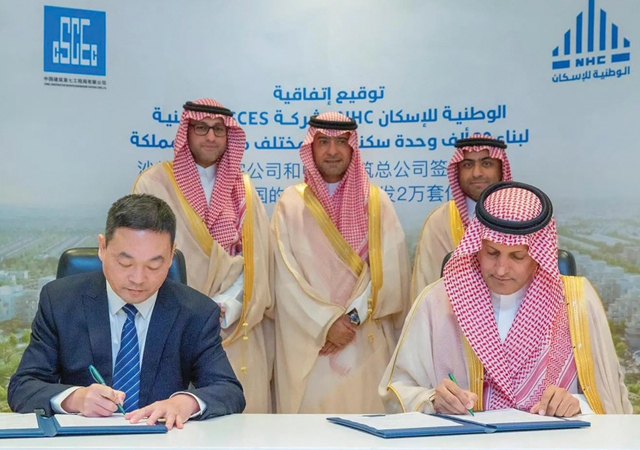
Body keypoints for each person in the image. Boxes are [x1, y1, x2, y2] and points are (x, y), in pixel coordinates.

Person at [380, 182, 632, 416]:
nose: (501, 269)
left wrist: (579, 404)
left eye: (517, 257)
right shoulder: (437, 300)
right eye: (492, 252)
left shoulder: (577, 301)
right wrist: (432, 400)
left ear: (538, 255)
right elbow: (398, 390)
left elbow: (610, 395)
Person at [8, 194, 245, 429]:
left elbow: (229, 390)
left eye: (154, 265)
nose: (138, 278)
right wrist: (76, 399)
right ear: (102, 248)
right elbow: (23, 387)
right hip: (85, 441)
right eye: (125, 263)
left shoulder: (196, 312)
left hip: (161, 439)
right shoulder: (60, 301)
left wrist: (185, 402)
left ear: (172, 254)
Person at [133, 98, 273, 413]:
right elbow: (142, 256)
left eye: (218, 130)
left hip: (233, 323)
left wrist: (228, 304)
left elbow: (258, 260)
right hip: (171, 322)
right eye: (201, 128)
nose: (210, 137)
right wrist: (195, 310)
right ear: (187, 131)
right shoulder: (154, 184)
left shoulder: (244, 188)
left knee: (234, 417)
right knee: (170, 417)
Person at [272, 112, 410, 414]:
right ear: (311, 147)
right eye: (323, 142)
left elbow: (391, 274)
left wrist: (352, 319)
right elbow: (285, 279)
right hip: (312, 344)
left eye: (341, 142)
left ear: (352, 147)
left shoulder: (376, 203)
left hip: (363, 341)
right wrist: (326, 324)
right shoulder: (290, 204)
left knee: (366, 424)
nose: (332, 151)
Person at [411, 134, 512, 299]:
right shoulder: (439, 221)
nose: (477, 173)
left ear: (501, 170)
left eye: (487, 164)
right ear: (457, 171)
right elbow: (427, 288)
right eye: (468, 165)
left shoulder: (524, 219)